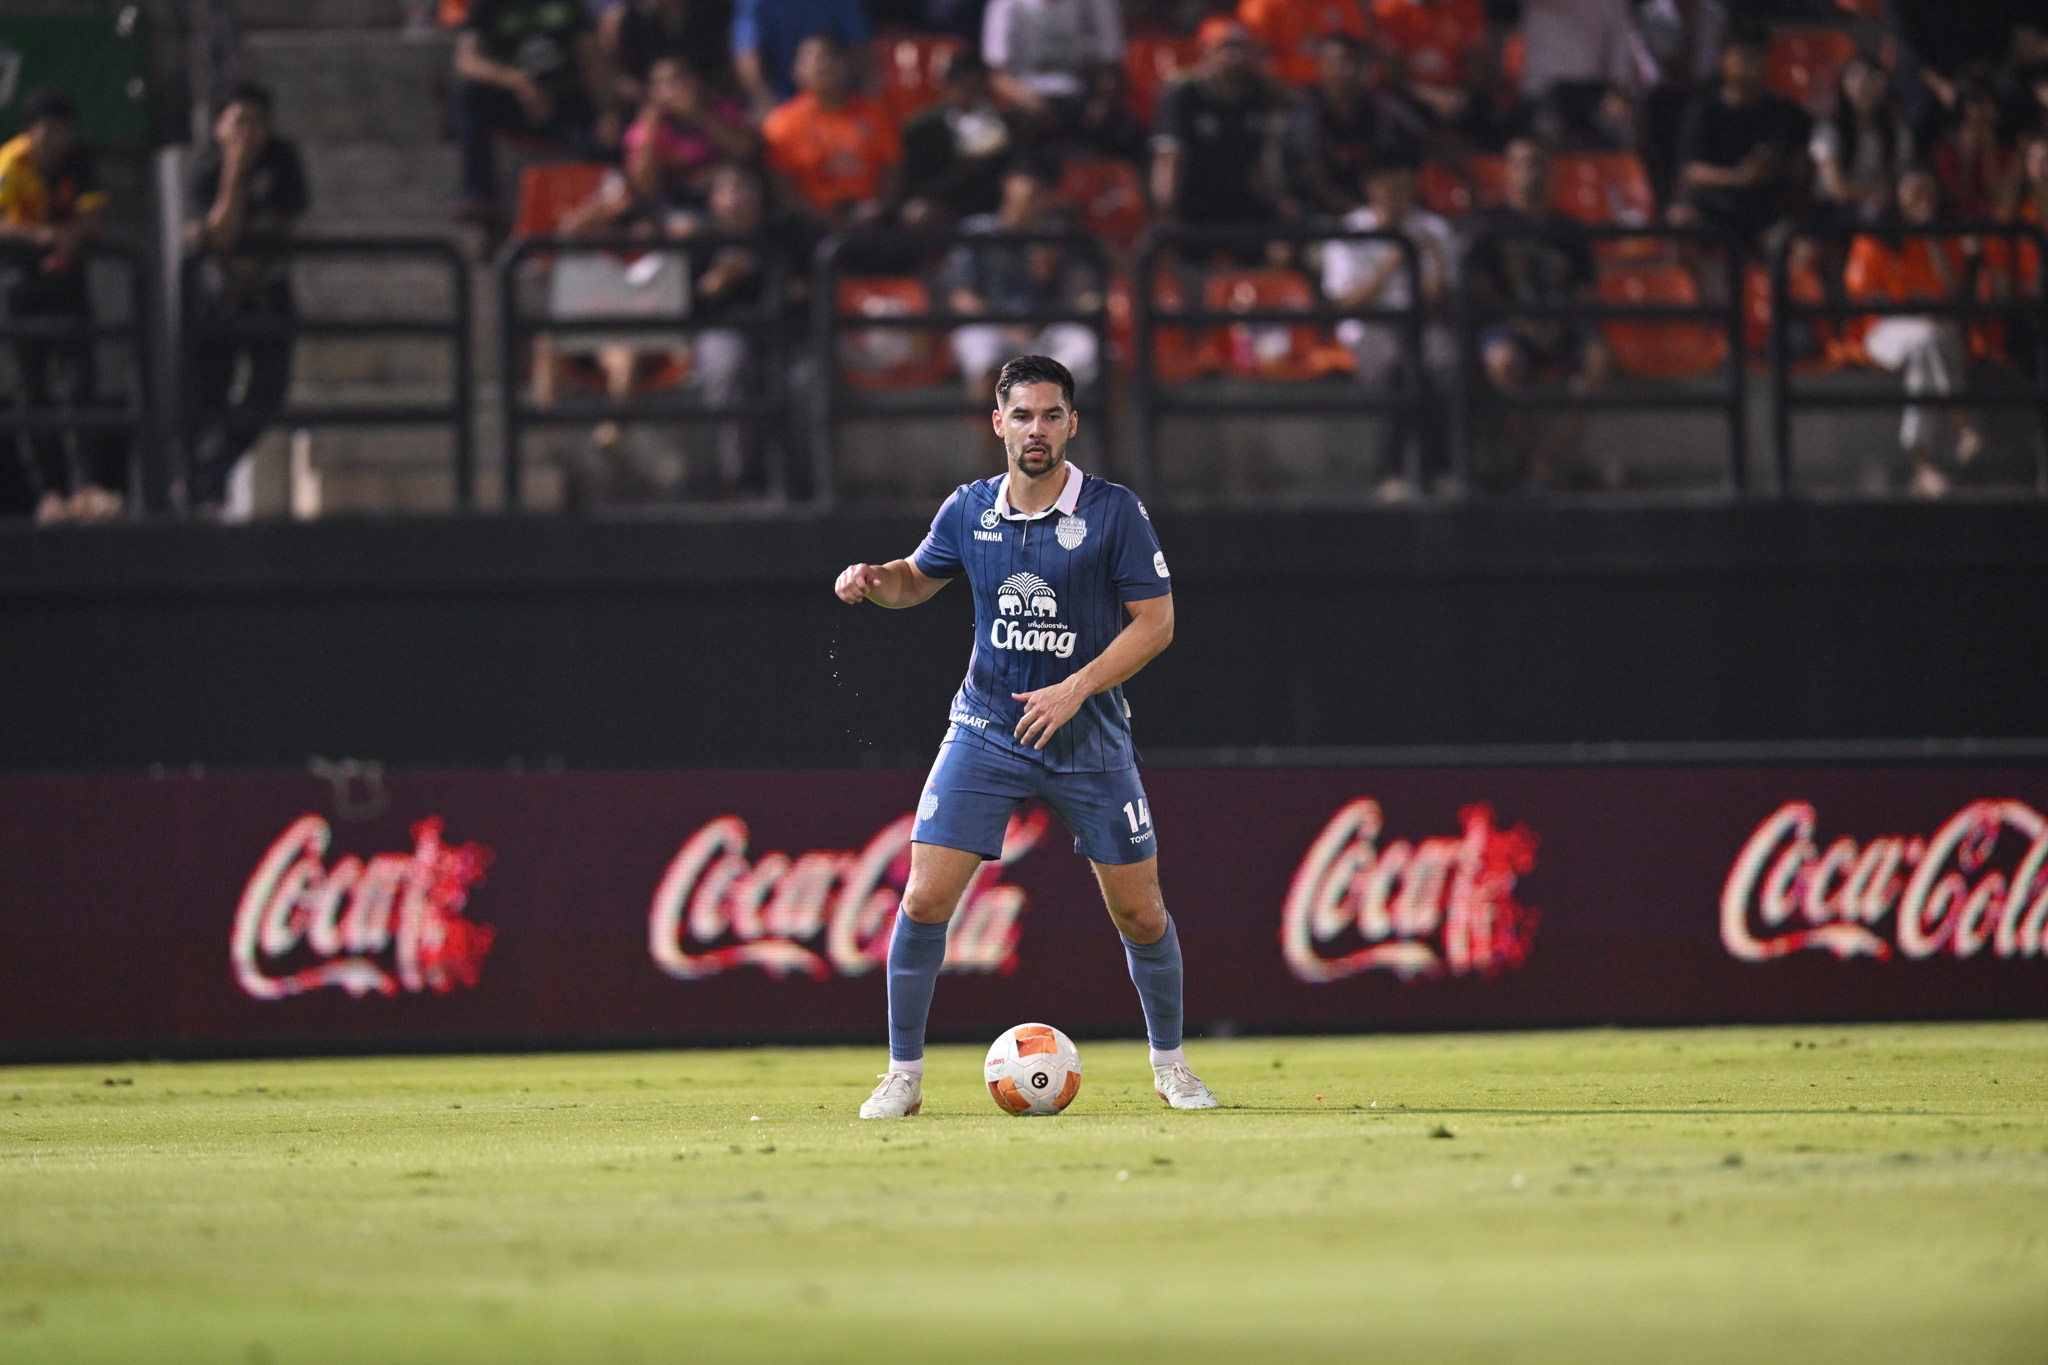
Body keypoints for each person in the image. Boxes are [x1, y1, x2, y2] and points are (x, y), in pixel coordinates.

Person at [832, 353, 1218, 1119]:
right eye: (1022, 415)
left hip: (1088, 734)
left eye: (1050, 415)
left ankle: (1171, 1065)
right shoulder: (969, 509)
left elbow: (1158, 623)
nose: (1035, 429)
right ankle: (902, 1075)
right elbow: (917, 577)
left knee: (1140, 912)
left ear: (1071, 424)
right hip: (987, 728)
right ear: (998, 424)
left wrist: (1077, 687)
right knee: (923, 896)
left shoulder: (1113, 512)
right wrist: (877, 580)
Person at [184, 82, 310, 517]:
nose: (248, 133)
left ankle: (210, 472)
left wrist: (241, 249)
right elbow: (220, 234)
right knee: (208, 398)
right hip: (216, 300)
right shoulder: (207, 168)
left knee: (269, 391)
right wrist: (234, 173)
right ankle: (207, 493)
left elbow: (284, 221)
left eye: (257, 122)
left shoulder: (282, 159)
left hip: (267, 292)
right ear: (220, 126)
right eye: (239, 122)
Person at [0, 87, 114, 524]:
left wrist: (71, 237)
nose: (55, 139)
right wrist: (41, 236)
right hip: (21, 290)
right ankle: (46, 493)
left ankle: (85, 487)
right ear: (30, 132)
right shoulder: (11, 162)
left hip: (68, 287)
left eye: (63, 130)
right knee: (31, 395)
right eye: (47, 129)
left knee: (80, 386)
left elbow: (93, 219)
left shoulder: (81, 163)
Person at [1466, 137, 1608, 485]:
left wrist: (1560, 324)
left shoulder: (1569, 229)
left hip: (1562, 323)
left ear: (1551, 171)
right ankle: (1526, 456)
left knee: (1598, 360)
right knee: (1502, 361)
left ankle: (1545, 457)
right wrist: (1522, 324)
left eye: (1537, 163)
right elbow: (1481, 293)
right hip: (1507, 323)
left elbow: (1585, 293)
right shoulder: (1488, 225)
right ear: (1507, 172)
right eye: (1521, 163)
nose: (1530, 172)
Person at [1843, 166, 1982, 497]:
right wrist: (1911, 312)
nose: (1922, 196)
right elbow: (1862, 299)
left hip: (1938, 333)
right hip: (1881, 331)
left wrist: (1931, 237)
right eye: (1913, 189)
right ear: (1897, 194)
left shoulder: (1944, 235)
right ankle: (1962, 423)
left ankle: (1923, 468)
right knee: (1926, 338)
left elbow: (1952, 290)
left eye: (1928, 188)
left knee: (1925, 347)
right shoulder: (1875, 236)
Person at [1320, 156, 1455, 484]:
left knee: (1446, 364)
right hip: (1372, 322)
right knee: (1387, 367)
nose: (1399, 197)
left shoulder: (1434, 229)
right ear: (1372, 189)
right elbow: (1345, 302)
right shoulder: (1350, 231)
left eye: (1405, 189)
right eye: (1390, 189)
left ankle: (1442, 468)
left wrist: (1435, 261)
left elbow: (1442, 301)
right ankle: (1393, 471)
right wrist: (1389, 266)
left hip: (1423, 319)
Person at [944, 160, 1102, 395]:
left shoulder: (1056, 235)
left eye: (1039, 195)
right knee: (978, 348)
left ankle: (1053, 410)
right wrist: (1005, 324)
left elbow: (1083, 293)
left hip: (1046, 329)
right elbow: (961, 297)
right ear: (1008, 189)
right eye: (1027, 195)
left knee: (1091, 348)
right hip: (995, 327)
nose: (1032, 202)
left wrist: (1055, 278)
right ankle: (991, 419)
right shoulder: (978, 231)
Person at [452, 0, 608, 233]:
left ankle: (599, 213)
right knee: (469, 94)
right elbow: (467, 61)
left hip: (567, 105)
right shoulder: (487, 6)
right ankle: (479, 194)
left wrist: (608, 111)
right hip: (512, 103)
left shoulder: (571, 6)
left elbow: (592, 57)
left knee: (601, 140)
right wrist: (519, 82)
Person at [1668, 32, 1812, 247]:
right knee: (1680, 219)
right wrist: (1739, 177)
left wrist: (1775, 169)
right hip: (1713, 208)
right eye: (1744, 57)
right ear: (1723, 61)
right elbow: (1690, 171)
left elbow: (1801, 165)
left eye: (1757, 57)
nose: (1752, 65)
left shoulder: (1786, 112)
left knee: (1802, 246)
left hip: (1765, 210)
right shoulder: (1703, 111)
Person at [1150, 18, 1291, 227]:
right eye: (1227, 48)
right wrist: (1165, 212)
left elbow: (1259, 163)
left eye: (1241, 48)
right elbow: (1170, 158)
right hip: (1194, 207)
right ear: (1206, 51)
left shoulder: (1255, 94)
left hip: (1243, 206)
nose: (1236, 57)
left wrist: (1277, 205)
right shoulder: (1185, 94)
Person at [760, 34, 902, 233]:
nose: (824, 64)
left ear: (847, 66)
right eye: (814, 59)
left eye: (830, 56)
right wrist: (833, 221)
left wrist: (879, 208)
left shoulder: (876, 115)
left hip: (873, 219)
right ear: (796, 72)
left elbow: (892, 168)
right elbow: (784, 189)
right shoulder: (782, 123)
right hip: (810, 223)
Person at [620, 54, 756, 211]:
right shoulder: (644, 128)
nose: (675, 88)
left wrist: (699, 115)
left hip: (726, 191)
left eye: (679, 79)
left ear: (695, 81)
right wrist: (651, 128)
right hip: (678, 204)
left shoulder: (722, 108)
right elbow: (642, 185)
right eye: (664, 84)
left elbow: (745, 151)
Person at [900, 49, 1016, 226]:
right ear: (951, 85)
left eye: (980, 88)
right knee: (917, 212)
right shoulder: (926, 124)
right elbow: (915, 182)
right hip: (943, 201)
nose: (974, 94)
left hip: (990, 199)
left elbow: (1008, 165)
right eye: (969, 86)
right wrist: (962, 170)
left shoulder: (998, 121)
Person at [980, 0, 1124, 130]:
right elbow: (998, 75)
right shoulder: (1005, 5)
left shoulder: (1097, 4)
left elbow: (1109, 65)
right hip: (1024, 100)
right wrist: (1037, 107)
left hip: (1081, 97)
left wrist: (1101, 104)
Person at [1515, 0, 1641, 148]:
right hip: (1544, 88)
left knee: (1623, 133)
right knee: (1546, 133)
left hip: (1595, 88)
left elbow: (1621, 50)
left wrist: (1619, 91)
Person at [1811, 54, 1910, 226]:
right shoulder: (1829, 129)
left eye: (1871, 77)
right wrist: (1870, 191)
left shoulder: (1896, 131)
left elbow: (1900, 176)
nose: (1863, 84)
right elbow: (1838, 188)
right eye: (1855, 76)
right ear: (1843, 84)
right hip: (1835, 212)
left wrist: (1887, 192)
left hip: (1883, 209)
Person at [732, 0, 871, 117]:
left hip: (844, 97)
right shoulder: (755, 3)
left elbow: (859, 44)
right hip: (784, 101)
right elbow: (746, 55)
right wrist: (764, 102)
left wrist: (869, 87)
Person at [599, 0, 734, 106]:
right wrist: (655, 96)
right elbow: (624, 79)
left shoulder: (709, 11)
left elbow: (723, 65)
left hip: (708, 100)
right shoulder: (633, 21)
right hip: (651, 105)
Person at [1236, 0, 1369, 88]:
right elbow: (1257, 58)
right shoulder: (1261, 5)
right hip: (1286, 91)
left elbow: (1362, 48)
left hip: (1339, 91)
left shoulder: (1343, 3)